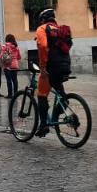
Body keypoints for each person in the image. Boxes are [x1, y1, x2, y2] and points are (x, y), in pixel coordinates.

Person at [33, 8, 73, 137]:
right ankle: (60, 108)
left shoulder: (42, 29)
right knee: (60, 92)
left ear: (43, 19)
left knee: (41, 95)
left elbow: (43, 46)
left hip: (51, 67)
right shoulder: (60, 29)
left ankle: (44, 124)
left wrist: (43, 67)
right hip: (65, 65)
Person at [0, 33, 21, 99]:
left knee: (9, 80)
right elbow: (19, 57)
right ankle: (16, 94)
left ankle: (10, 94)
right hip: (15, 65)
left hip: (7, 65)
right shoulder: (16, 47)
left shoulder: (5, 46)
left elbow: (1, 56)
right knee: (15, 80)